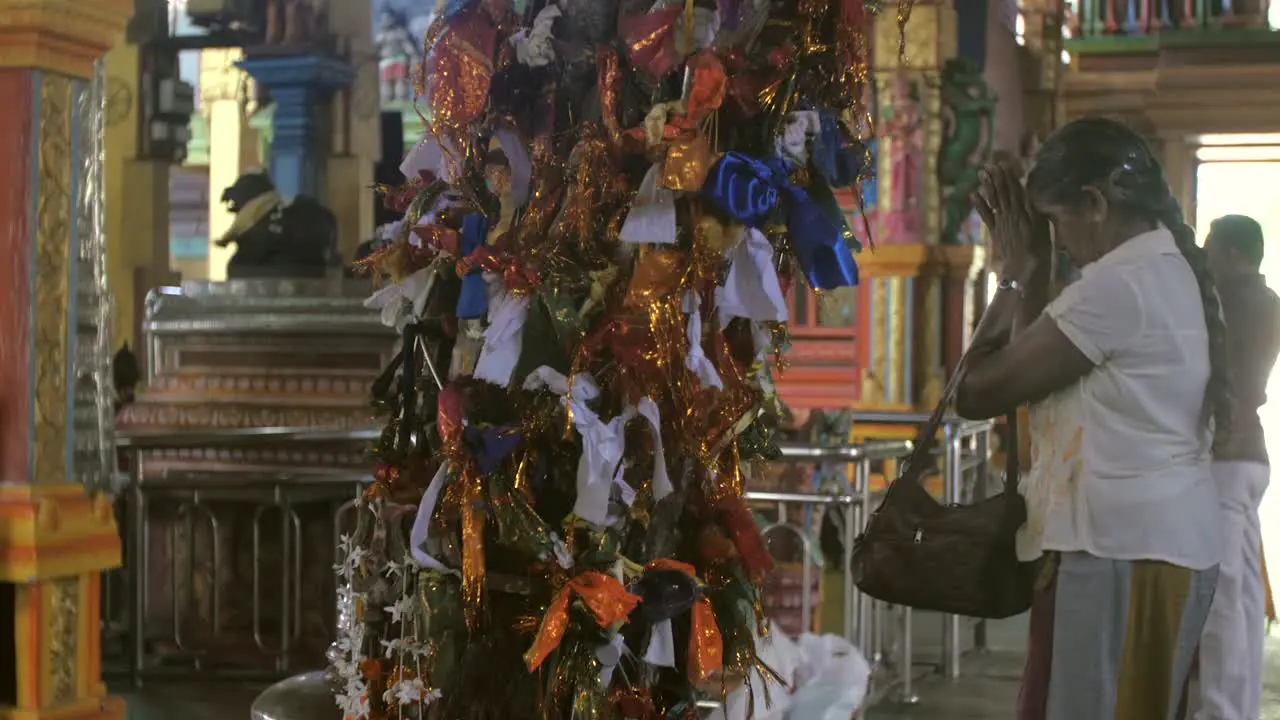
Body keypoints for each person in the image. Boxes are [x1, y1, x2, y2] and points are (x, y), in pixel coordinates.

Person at [955, 117, 1227, 719]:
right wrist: (1030, 277)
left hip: (1124, 551)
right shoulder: (1151, 271)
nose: (1059, 242)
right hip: (1146, 545)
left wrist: (1018, 270)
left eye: (1056, 222)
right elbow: (1032, 371)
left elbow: (975, 392)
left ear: (1095, 204)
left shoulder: (1118, 288)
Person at [1195, 214, 1279, 720]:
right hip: (1251, 456)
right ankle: (1240, 707)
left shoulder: (1223, 304)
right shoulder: (1270, 303)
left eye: (1208, 248)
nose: (1202, 258)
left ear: (1228, 252)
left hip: (1223, 457)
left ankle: (1220, 712)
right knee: (1245, 595)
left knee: (1222, 600)